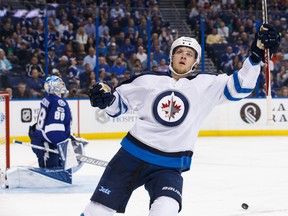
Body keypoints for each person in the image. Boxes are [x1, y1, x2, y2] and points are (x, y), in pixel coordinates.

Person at [82, 24, 280, 216]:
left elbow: (241, 86)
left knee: (166, 209)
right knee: (97, 211)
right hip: (129, 158)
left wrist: (255, 57)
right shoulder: (147, 80)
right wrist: (105, 98)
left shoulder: (207, 85)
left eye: (190, 53)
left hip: (168, 166)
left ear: (195, 62)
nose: (184, 55)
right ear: (171, 56)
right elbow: (117, 105)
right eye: (180, 51)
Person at [6, 76, 86, 188]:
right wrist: (64, 146)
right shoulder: (58, 102)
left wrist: (69, 138)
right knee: (52, 176)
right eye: (59, 84)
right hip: (46, 142)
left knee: (56, 173)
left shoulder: (49, 99)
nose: (62, 85)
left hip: (44, 139)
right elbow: (54, 129)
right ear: (54, 87)